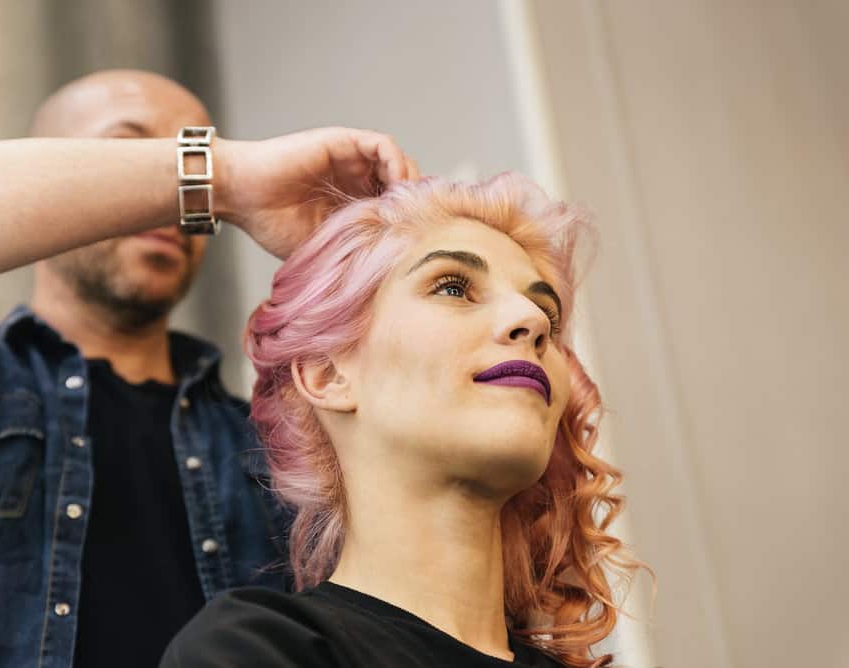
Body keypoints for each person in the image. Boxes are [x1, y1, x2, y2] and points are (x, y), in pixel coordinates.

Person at [0, 69, 418, 668]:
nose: (179, 195)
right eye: (137, 154)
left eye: (193, 150)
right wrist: (226, 174)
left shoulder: (271, 453)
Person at [160, 173, 645, 668]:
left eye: (548, 310)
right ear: (328, 375)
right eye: (453, 287)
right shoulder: (252, 650)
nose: (534, 320)